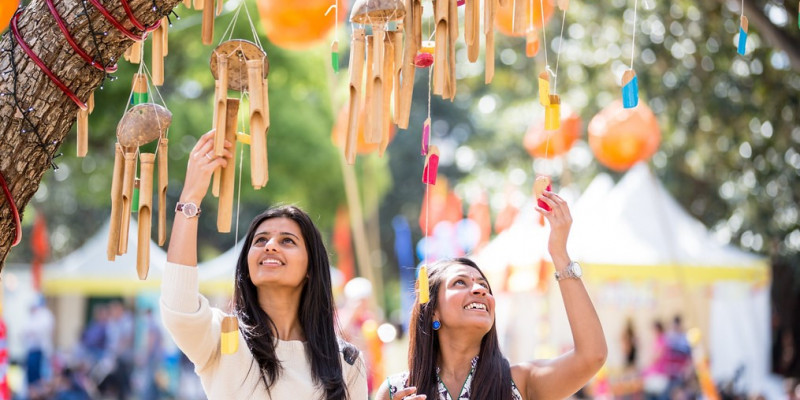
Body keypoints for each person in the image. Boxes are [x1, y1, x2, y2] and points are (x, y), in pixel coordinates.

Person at [159, 131, 368, 399]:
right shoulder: (222, 336)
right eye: (260, 240)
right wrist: (191, 197)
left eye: (287, 241)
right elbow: (177, 306)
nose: (270, 246)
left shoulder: (346, 362)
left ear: (311, 268)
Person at [376, 191, 607, 400]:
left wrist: (559, 253)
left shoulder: (519, 383)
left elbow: (592, 355)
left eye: (483, 284)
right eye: (460, 282)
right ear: (432, 309)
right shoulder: (397, 390)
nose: (480, 290)